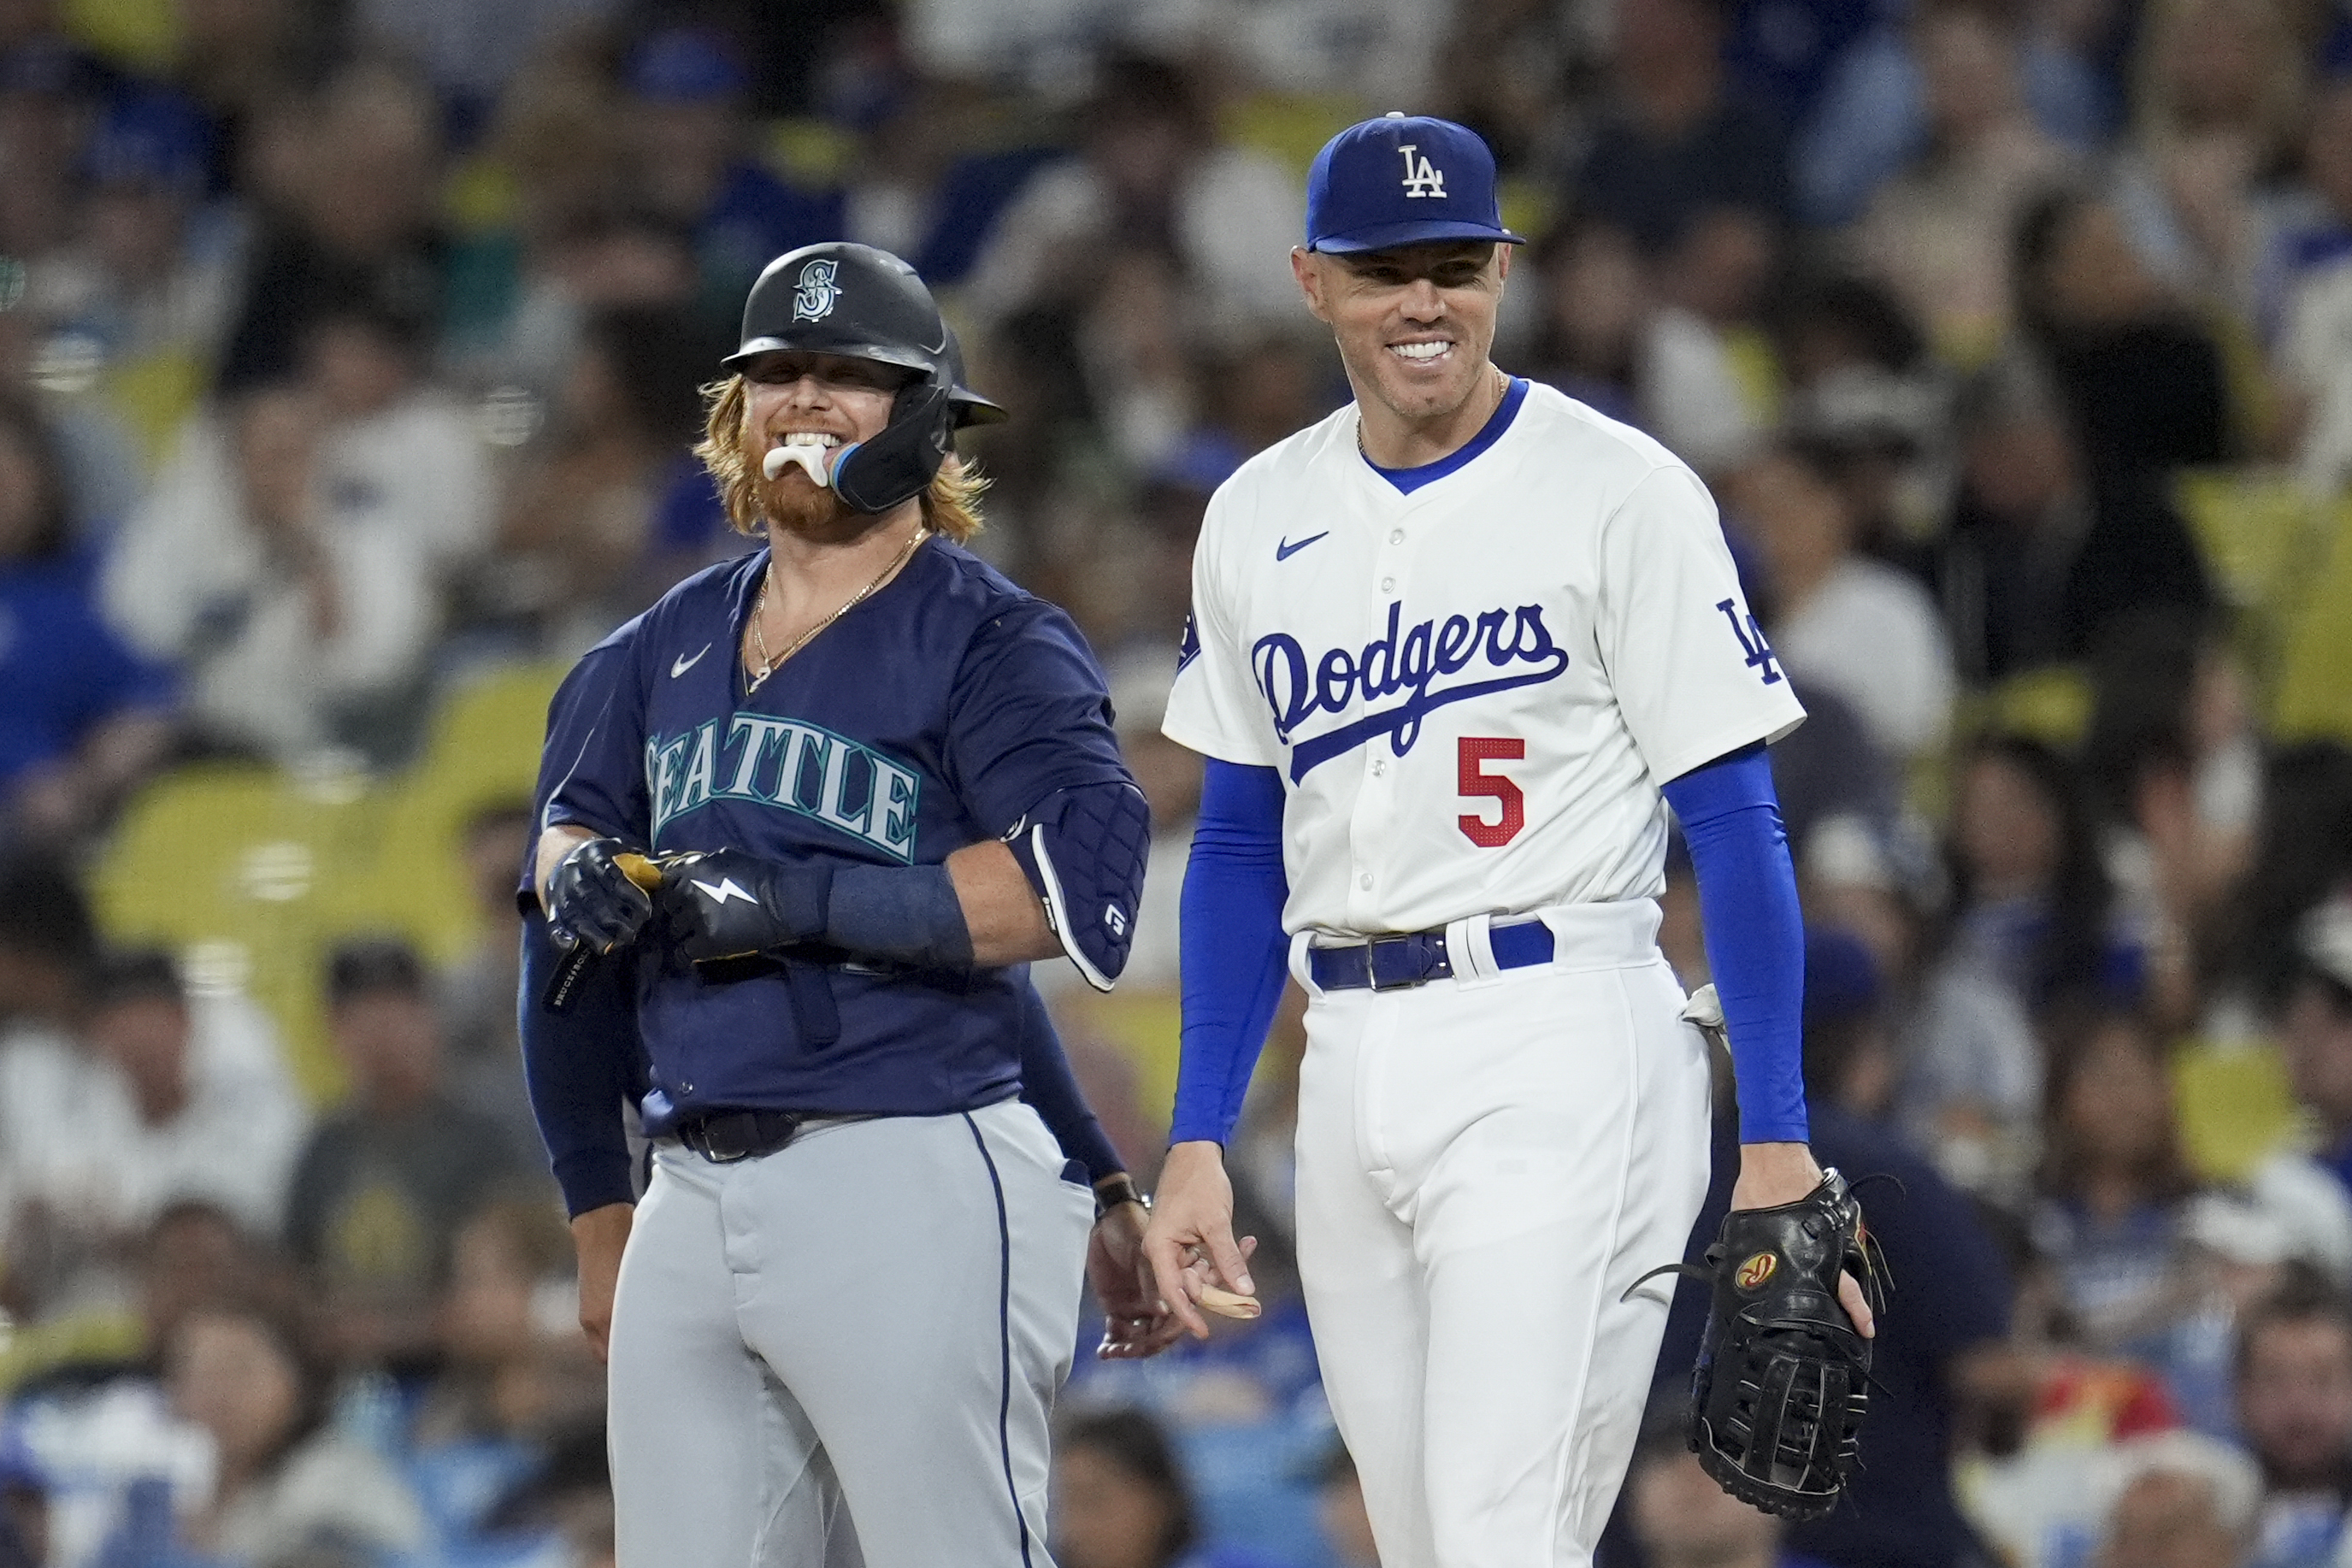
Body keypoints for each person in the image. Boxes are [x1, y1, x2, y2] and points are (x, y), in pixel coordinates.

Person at [1143, 114, 1870, 1568]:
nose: (1425, 302)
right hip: (1345, 1064)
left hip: (1563, 1033)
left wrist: (1778, 1133)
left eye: (1456, 266)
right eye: (1384, 270)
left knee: (1491, 1539)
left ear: (1502, 269)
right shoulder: (1256, 514)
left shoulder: (1625, 489)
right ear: (1309, 280)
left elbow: (1733, 824)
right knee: (1428, 1546)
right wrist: (1199, 1136)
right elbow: (1235, 843)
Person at [518, 239, 1179, 1568]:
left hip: (912, 1160)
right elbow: (562, 906)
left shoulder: (993, 638)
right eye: (782, 371)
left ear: (926, 419)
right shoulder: (645, 654)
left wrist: (794, 899)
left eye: (850, 376)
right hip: (687, 1192)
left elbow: (1073, 895)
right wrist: (601, 1214)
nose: (806, 400)